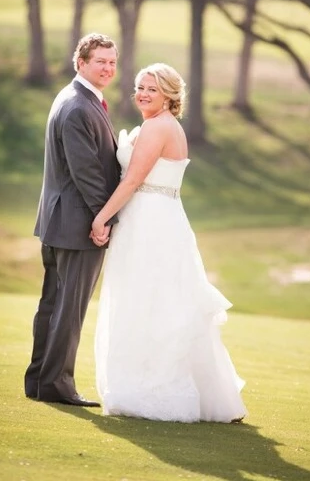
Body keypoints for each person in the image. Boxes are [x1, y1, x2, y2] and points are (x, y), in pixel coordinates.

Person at [91, 63, 247, 423]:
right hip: (158, 218)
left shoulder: (158, 127)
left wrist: (100, 217)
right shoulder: (163, 125)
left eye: (152, 89)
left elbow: (132, 181)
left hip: (150, 223)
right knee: (157, 300)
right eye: (140, 87)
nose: (143, 94)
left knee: (148, 301)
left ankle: (150, 390)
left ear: (169, 96)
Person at [24, 33, 121, 407]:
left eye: (112, 62)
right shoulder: (79, 106)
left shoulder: (74, 98)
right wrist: (104, 219)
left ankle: (39, 381)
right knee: (68, 308)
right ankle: (57, 385)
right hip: (78, 225)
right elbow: (87, 174)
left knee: (53, 304)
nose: (108, 68)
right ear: (80, 63)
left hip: (59, 221)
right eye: (100, 61)